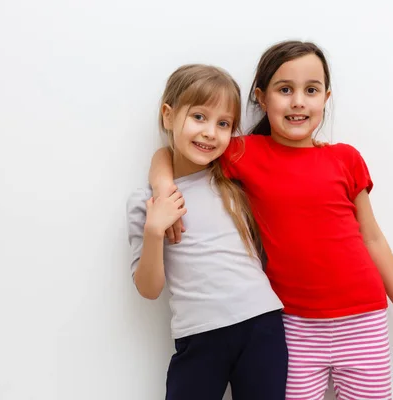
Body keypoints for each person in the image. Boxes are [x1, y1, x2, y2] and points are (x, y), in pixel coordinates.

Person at [150, 41, 393, 400]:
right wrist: (163, 187)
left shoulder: (345, 158)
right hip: (292, 325)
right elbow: (168, 151)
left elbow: (372, 238)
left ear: (326, 97)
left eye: (311, 90)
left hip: (364, 320)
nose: (298, 101)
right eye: (285, 90)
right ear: (262, 98)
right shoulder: (242, 151)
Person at [126, 64, 288, 400]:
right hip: (198, 336)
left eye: (223, 123)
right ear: (168, 116)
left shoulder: (233, 177)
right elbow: (149, 288)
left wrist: (162, 179)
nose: (211, 132)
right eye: (199, 117)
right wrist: (155, 229)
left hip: (262, 325)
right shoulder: (147, 201)